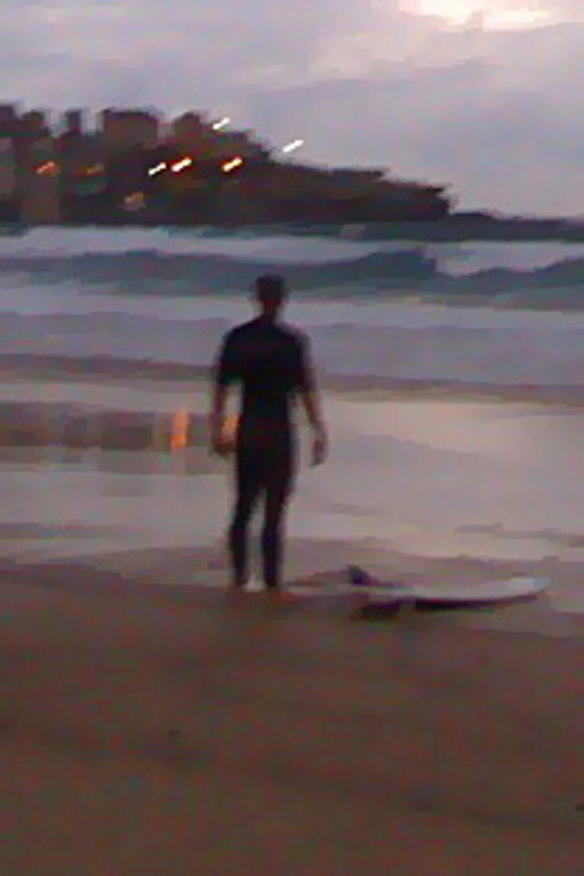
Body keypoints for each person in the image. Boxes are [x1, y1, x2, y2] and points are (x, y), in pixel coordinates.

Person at [209, 274, 328, 599]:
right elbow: (306, 390)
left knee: (244, 506)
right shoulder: (292, 341)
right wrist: (318, 431)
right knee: (275, 510)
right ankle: (272, 581)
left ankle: (239, 578)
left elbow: (221, 388)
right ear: (282, 300)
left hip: (250, 428)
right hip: (279, 430)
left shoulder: (238, 338)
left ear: (257, 298)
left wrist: (218, 430)